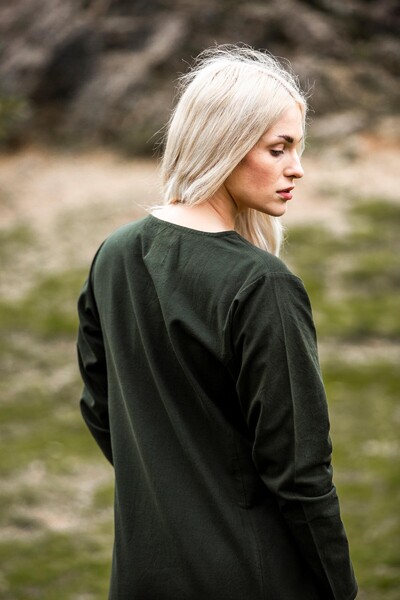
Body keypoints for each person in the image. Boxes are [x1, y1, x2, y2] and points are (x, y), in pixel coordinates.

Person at [77, 45, 358, 599]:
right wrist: (341, 589)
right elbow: (300, 472)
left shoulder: (115, 253)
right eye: (278, 148)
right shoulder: (262, 285)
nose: (296, 168)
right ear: (223, 143)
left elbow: (100, 408)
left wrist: (172, 491)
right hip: (251, 575)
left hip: (143, 573)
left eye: (297, 148)